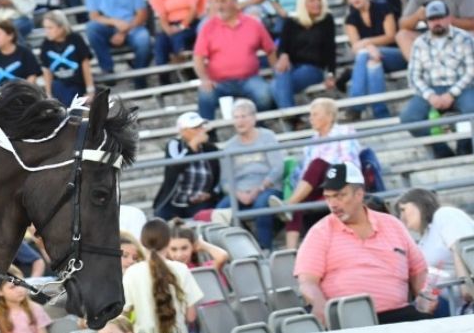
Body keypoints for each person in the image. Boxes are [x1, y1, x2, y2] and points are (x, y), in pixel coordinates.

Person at [295, 162, 432, 325]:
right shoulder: (320, 232)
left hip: (399, 314)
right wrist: (319, 304)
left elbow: (418, 270)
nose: (333, 204)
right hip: (347, 320)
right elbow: (307, 282)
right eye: (328, 197)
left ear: (359, 194)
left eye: (340, 196)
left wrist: (425, 296)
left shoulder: (392, 224)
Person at [282, 97, 362, 246]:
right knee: (300, 195)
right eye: (310, 115)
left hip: (341, 179)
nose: (311, 119)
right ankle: (289, 250)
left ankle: (288, 205)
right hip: (319, 185)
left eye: (315, 114)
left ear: (330, 116)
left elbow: (349, 163)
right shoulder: (311, 143)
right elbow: (306, 175)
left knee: (318, 164)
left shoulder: (345, 132)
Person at [400, 0, 474, 160]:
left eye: (440, 17)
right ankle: (441, 150)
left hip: (462, 88)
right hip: (431, 89)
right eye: (432, 19)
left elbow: (471, 71)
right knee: (408, 117)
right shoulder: (419, 43)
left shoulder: (465, 38)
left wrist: (451, 94)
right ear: (427, 22)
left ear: (448, 18)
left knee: (472, 108)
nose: (436, 22)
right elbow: (413, 76)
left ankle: (465, 147)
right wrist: (430, 95)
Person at [194, 0, 277, 119]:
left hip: (249, 78)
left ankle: (257, 125)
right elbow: (198, 57)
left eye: (223, 1)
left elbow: (270, 49)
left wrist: (276, 72)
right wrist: (204, 79)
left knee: (264, 95)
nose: (219, 6)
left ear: (235, 2)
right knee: (205, 95)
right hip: (218, 82)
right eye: (216, 1)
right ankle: (207, 130)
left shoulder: (253, 24)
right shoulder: (208, 27)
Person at [122, 222, 206, 333]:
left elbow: (125, 314)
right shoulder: (181, 269)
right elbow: (191, 316)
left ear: (142, 243)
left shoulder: (131, 273)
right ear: (168, 242)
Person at [216, 98, 286, 249]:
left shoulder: (267, 137)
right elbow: (225, 181)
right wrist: (238, 193)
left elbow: (278, 167)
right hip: (240, 191)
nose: (239, 121)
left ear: (254, 118)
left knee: (261, 205)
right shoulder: (229, 146)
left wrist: (260, 188)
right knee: (221, 211)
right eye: (236, 117)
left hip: (267, 187)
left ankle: (266, 248)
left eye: (243, 116)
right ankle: (241, 246)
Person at [394, 187, 474, 315]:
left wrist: (466, 286)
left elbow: (461, 247)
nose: (401, 217)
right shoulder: (425, 238)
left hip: (460, 302)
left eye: (403, 209)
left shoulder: (444, 214)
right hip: (443, 302)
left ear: (419, 203)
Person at [344, 0, 405, 121]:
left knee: (364, 54)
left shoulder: (383, 6)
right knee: (372, 63)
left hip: (395, 55)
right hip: (373, 58)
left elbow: (391, 36)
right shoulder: (350, 19)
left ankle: (356, 105)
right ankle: (380, 113)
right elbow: (355, 47)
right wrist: (369, 48)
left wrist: (367, 43)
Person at [272, 0, 337, 109]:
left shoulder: (326, 19)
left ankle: (291, 116)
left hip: (314, 68)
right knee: (281, 71)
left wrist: (331, 74)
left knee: (276, 88)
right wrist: (283, 55)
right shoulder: (291, 21)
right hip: (292, 66)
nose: (317, 3)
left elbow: (331, 49)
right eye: (312, 0)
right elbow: (282, 46)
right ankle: (291, 116)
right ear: (302, 4)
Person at [85, 0, 151, 87]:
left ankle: (139, 78)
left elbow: (142, 14)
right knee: (92, 28)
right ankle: (107, 69)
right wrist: (115, 22)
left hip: (132, 25)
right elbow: (94, 16)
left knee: (144, 40)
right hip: (108, 25)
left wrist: (123, 32)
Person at [153, 112, 221, 220]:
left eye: (201, 126)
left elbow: (220, 178)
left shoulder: (211, 149)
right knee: (161, 220)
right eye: (195, 128)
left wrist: (210, 194)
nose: (201, 130)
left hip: (201, 202)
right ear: (183, 131)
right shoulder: (174, 144)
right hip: (173, 202)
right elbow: (175, 166)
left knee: (206, 217)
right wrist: (193, 145)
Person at [398, 0, 474, 59]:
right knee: (402, 35)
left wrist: (449, 20)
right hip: (430, 36)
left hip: (457, 36)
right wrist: (416, 17)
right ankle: (419, 65)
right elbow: (402, 25)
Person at [150, 0, 208, 66]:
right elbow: (162, 14)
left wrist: (181, 26)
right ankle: (163, 74)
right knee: (160, 42)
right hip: (171, 25)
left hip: (192, 23)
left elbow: (193, 9)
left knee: (179, 38)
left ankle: (186, 70)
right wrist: (167, 29)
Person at [38, 10, 93, 105]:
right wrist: (48, 94)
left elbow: (85, 64)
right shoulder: (46, 44)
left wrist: (90, 90)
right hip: (58, 86)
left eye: (50, 28)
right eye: (45, 28)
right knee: (58, 86)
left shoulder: (75, 39)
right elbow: (47, 70)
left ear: (61, 27)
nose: (47, 31)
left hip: (77, 83)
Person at [0, 266, 52, 333]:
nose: (20, 289)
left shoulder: (35, 309)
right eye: (12, 287)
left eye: (22, 284)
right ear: (0, 291)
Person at [0, 20, 41, 95]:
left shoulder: (25, 53)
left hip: (21, 94)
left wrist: (24, 92)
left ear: (10, 36)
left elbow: (32, 76)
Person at [165, 223, 231, 272]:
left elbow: (222, 256)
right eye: (173, 249)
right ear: (167, 249)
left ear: (193, 247)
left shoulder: (200, 269)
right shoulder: (166, 271)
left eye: (184, 248)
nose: (179, 254)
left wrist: (203, 245)